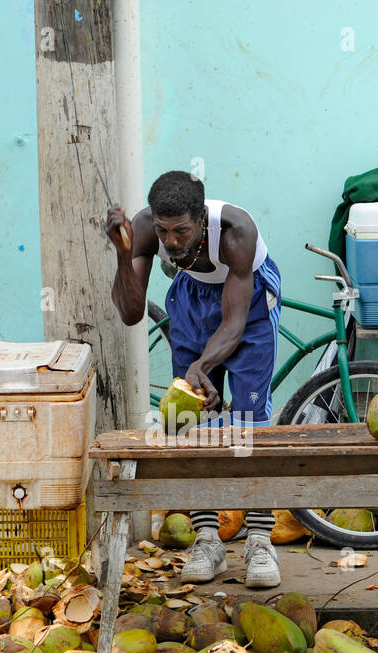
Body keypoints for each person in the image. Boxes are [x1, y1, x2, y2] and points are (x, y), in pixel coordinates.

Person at [105, 171, 283, 587]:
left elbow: (235, 323)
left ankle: (259, 539)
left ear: (201, 219)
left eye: (182, 232)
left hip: (249, 301)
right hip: (192, 295)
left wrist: (204, 364)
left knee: (249, 423)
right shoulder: (147, 228)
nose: (171, 242)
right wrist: (122, 252)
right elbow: (131, 313)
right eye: (164, 233)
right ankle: (207, 538)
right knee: (192, 422)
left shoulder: (236, 230)